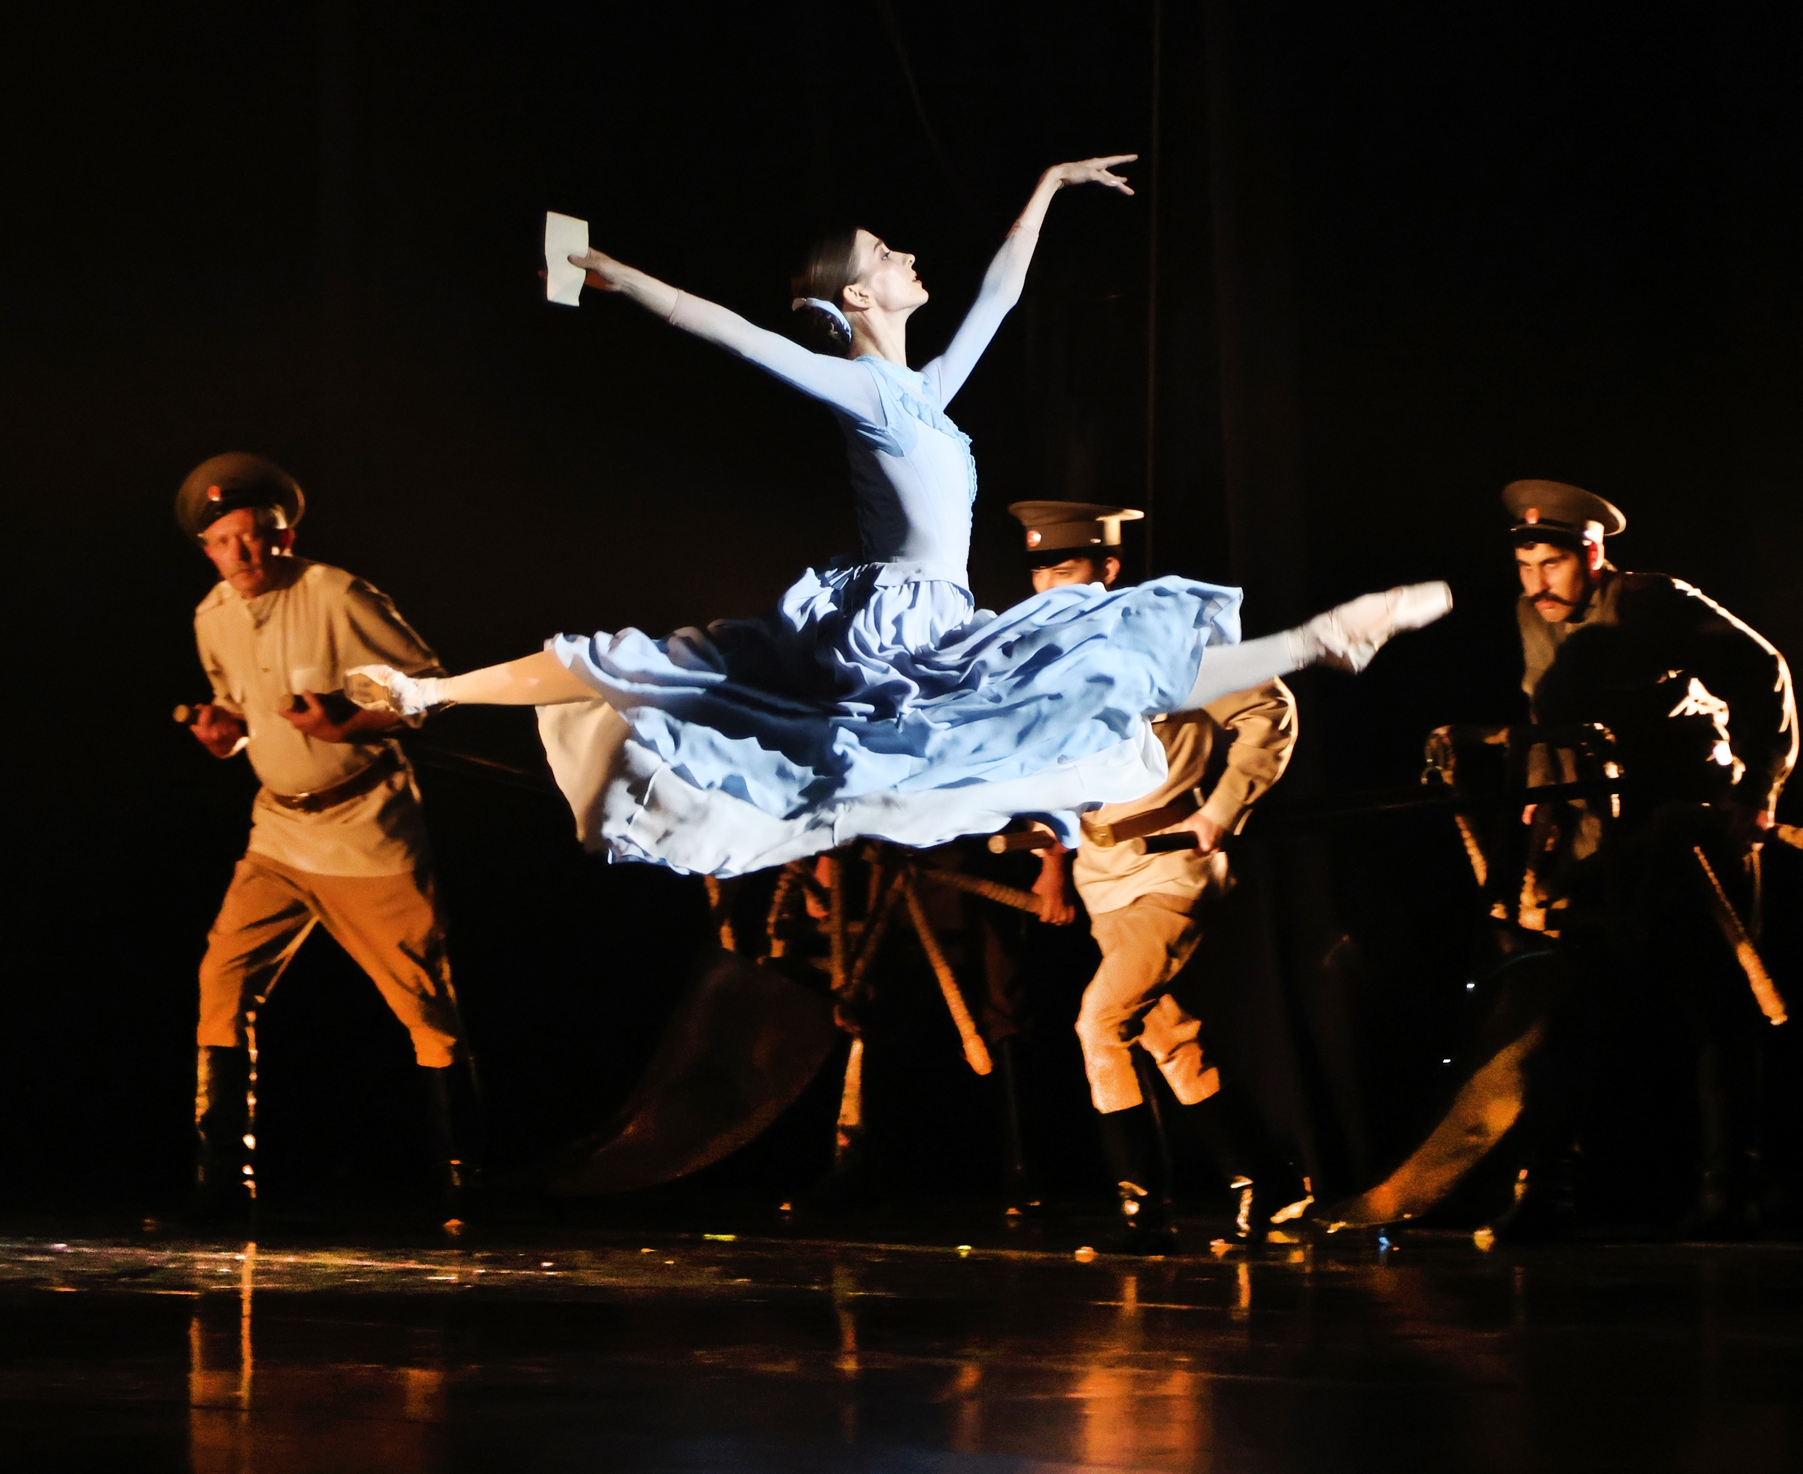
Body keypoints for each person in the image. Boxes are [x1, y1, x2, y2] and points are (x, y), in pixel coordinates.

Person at [346, 158, 1449, 877]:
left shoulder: (923, 392)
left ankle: (1318, 640)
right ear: (858, 297)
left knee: (1093, 665)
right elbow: (736, 333)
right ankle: (428, 692)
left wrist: (1049, 187)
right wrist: (620, 279)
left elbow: (1000, 297)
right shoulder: (866, 390)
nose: (909, 257)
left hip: (941, 614)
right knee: (656, 669)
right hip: (889, 623)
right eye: (887, 255)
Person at [178, 453, 480, 1220]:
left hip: (364, 827)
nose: (242, 553)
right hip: (279, 832)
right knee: (222, 980)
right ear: (207, 550)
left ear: (285, 534)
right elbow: (238, 708)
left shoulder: (337, 595)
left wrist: (353, 721)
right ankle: (223, 1186)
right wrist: (225, 732)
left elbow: (431, 692)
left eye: (256, 535)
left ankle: (467, 1182)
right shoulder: (212, 615)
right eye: (224, 541)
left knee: (423, 1003)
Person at [1495, 480, 1797, 1239]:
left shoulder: (1651, 601)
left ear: (1592, 554)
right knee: (1568, 1010)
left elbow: (1764, 671)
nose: (1537, 584)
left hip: (1684, 825)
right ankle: (1547, 1192)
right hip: (1597, 839)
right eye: (1526, 567)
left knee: (1719, 1007)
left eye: (1553, 564)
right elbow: (1546, 712)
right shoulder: (1534, 615)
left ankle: (1732, 1191)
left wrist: (1757, 791)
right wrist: (1543, 797)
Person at [1009, 502, 1304, 1248]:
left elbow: (1270, 712)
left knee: (1100, 1023)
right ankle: (1268, 1181)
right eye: (1041, 572)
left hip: (1170, 870)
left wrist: (1224, 810)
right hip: (1101, 875)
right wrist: (1050, 858)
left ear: (1108, 569)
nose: (1050, 587)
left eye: (1067, 569)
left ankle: (1143, 1211)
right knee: (1166, 1037)